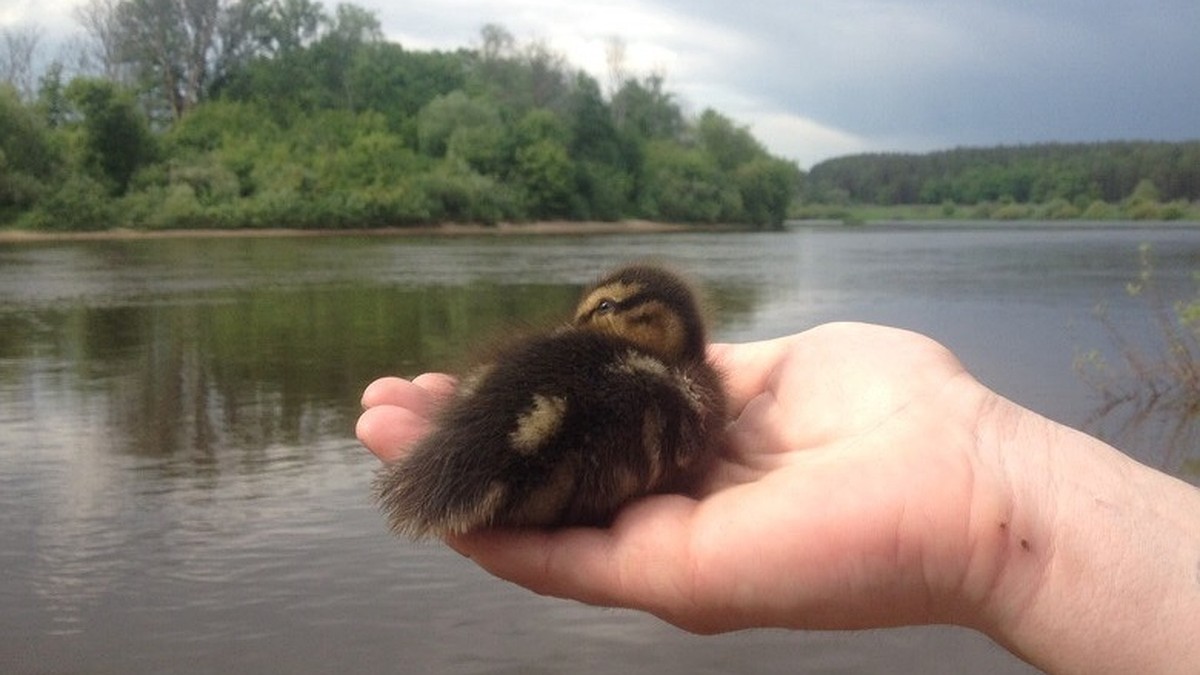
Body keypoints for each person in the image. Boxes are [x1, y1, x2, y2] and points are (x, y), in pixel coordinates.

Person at [356, 322, 1200, 674]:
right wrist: (1018, 500)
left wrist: (1007, 499)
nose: (591, 330)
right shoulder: (679, 401)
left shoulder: (661, 399)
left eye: (610, 317)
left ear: (662, 324)